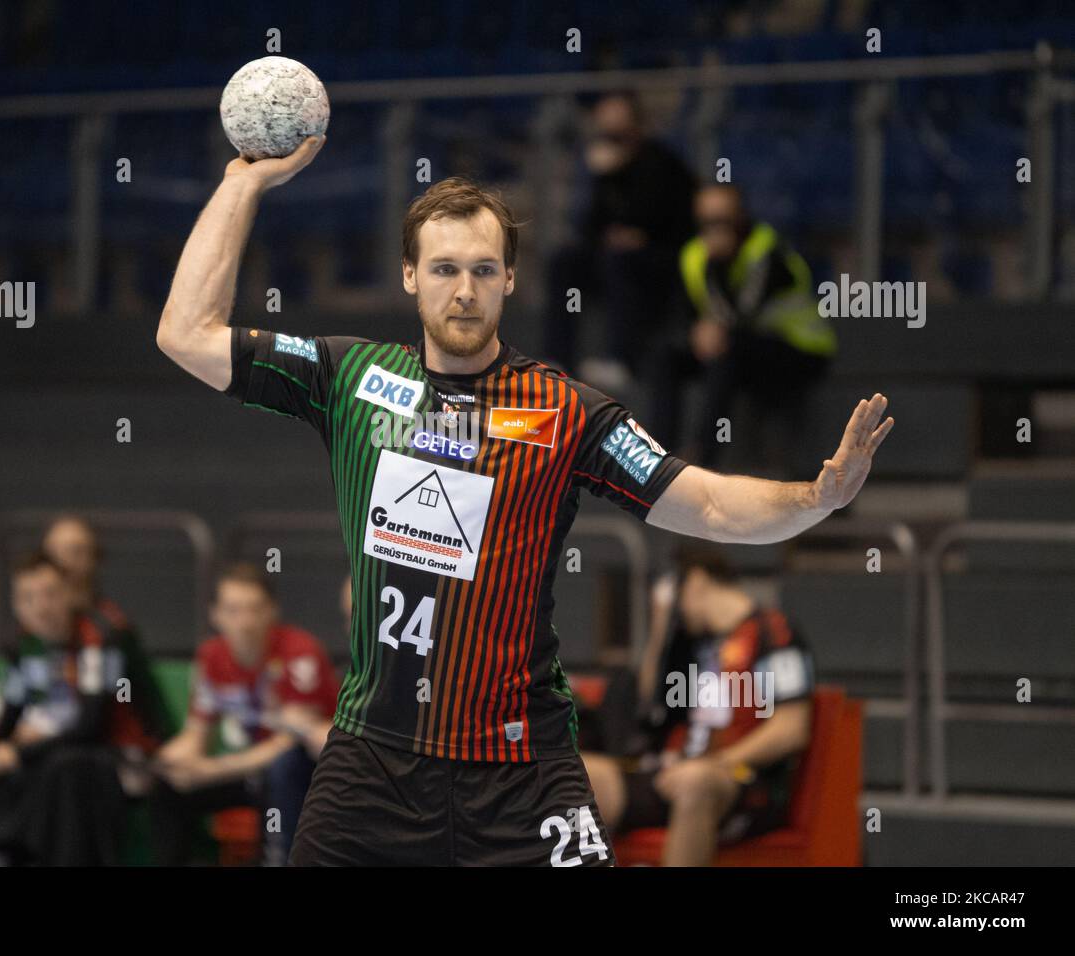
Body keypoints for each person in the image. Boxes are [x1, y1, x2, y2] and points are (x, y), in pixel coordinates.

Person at [155, 135, 892, 866]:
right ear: (409, 276)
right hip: (371, 763)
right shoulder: (351, 377)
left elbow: (707, 504)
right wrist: (243, 185)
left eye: (483, 269)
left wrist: (815, 497)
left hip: (521, 772)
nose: (464, 290)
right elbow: (186, 335)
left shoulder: (564, 412)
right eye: (443, 269)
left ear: (510, 279)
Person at [582, 549, 815, 865]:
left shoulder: (772, 631)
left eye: (674, 597)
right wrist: (660, 630)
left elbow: (791, 728)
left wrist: (718, 762)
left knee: (695, 782)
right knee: (578, 773)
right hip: (672, 772)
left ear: (695, 581)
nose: (676, 609)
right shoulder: (686, 643)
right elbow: (648, 704)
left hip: (740, 781)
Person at [0, 551, 131, 865]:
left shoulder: (100, 639)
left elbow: (91, 726)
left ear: (70, 595)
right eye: (27, 598)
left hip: (102, 758)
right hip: (42, 752)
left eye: (50, 594)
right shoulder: (23, 645)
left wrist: (7, 756)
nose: (40, 607)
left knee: (61, 768)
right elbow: (10, 714)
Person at [150, 562, 337, 866]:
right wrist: (163, 763)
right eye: (234, 610)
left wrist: (213, 769)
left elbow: (291, 741)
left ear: (272, 611)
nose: (245, 621)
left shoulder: (300, 653)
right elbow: (196, 734)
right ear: (216, 614)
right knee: (169, 787)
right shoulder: (210, 657)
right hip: (244, 768)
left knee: (283, 769)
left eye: (254, 609)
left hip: (302, 770)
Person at [654, 183, 837, 472]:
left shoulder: (765, 249)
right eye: (706, 221)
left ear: (740, 217)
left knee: (726, 354)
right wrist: (695, 333)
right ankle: (657, 459)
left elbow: (744, 311)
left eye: (722, 221)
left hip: (798, 349)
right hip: (738, 345)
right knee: (667, 355)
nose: (714, 229)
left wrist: (716, 267)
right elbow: (684, 313)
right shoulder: (692, 255)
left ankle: (703, 459)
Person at [543, 91, 696, 387]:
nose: (612, 137)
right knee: (565, 260)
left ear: (636, 126)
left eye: (619, 129)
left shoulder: (661, 162)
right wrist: (606, 179)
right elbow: (591, 227)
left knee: (618, 259)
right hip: (613, 258)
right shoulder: (605, 170)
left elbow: (669, 223)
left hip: (660, 261)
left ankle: (621, 360)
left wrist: (637, 236)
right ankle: (557, 358)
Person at [41, 514, 175, 752]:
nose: (64, 563)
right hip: (71, 746)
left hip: (125, 750)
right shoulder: (37, 633)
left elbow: (92, 723)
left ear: (95, 560)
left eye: (76, 551)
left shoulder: (107, 631)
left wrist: (15, 753)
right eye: (54, 553)